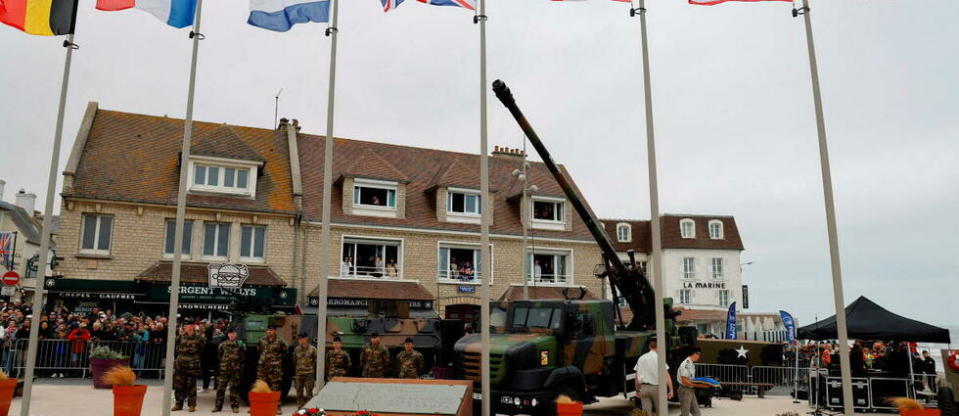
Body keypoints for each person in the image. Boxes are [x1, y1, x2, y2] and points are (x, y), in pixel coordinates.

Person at [634, 338, 673, 415]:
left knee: (646, 413)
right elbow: (667, 376)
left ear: (649, 347)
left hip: (644, 388)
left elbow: (636, 376)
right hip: (657, 388)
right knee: (661, 412)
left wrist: (637, 390)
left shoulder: (641, 358)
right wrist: (671, 390)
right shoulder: (660, 358)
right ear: (658, 347)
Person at [172, 323, 205, 412]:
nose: (189, 328)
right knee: (178, 385)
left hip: (192, 365)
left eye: (191, 326)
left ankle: (192, 405)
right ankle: (178, 404)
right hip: (180, 364)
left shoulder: (199, 338)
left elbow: (202, 351)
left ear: (193, 327)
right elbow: (176, 350)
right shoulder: (179, 337)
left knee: (191, 386)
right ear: (185, 328)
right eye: (187, 326)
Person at [257, 325, 287, 415]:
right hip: (263, 368)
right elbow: (258, 351)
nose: (269, 332)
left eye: (271, 330)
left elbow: (285, 351)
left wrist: (277, 361)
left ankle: (277, 407)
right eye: (268, 330)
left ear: (275, 331)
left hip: (275, 368)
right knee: (262, 388)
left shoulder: (280, 341)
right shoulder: (261, 340)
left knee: (275, 388)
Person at [213, 328, 244, 414]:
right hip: (224, 370)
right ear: (228, 335)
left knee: (234, 389)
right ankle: (217, 406)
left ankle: (235, 407)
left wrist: (236, 364)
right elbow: (220, 356)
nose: (232, 335)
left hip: (235, 370)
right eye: (230, 334)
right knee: (220, 388)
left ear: (236, 335)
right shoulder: (222, 345)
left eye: (233, 334)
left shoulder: (240, 344)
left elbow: (242, 356)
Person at [293, 333, 318, 408]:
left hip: (309, 374)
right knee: (299, 393)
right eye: (299, 339)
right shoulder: (297, 349)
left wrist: (311, 369)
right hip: (299, 374)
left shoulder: (313, 349)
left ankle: (309, 410)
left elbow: (316, 360)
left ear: (306, 339)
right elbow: (295, 360)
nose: (300, 341)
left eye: (301, 339)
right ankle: (300, 409)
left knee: (309, 394)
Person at [677, 347, 703, 416]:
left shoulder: (691, 364)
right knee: (685, 413)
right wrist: (700, 385)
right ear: (695, 354)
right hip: (685, 390)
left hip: (690, 390)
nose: (699, 357)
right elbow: (684, 381)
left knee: (697, 413)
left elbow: (690, 379)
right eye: (699, 354)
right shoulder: (686, 364)